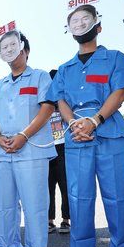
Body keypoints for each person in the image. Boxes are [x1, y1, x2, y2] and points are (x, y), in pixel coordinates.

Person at [46, 3, 124, 247]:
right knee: (79, 206)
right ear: (70, 31)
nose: (80, 24)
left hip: (110, 135)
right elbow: (59, 100)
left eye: (85, 19)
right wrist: (74, 122)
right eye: (75, 22)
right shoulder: (64, 69)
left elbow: (119, 92)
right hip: (77, 138)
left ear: (98, 26)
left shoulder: (116, 58)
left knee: (119, 203)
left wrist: (95, 120)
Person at [0, 30, 56, 247]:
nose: (9, 50)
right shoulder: (0, 84)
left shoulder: (40, 77)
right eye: (4, 48)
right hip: (3, 152)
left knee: (35, 205)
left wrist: (24, 135)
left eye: (13, 46)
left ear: (25, 49)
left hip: (32, 150)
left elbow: (47, 108)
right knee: (4, 205)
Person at [47, 70, 70, 234]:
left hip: (64, 148)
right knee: (47, 188)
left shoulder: (66, 102)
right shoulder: (44, 104)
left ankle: (65, 220)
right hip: (47, 149)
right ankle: (49, 220)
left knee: (65, 186)